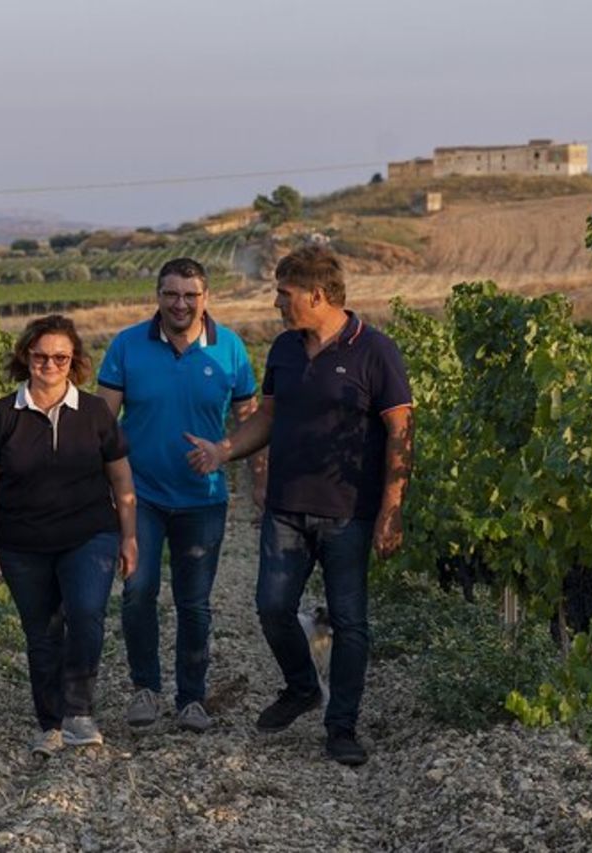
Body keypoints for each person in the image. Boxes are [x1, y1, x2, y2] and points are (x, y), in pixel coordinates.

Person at [186, 245, 412, 766]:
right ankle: (302, 687)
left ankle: (342, 727)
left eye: (283, 294)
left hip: (349, 509)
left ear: (317, 294)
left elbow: (401, 430)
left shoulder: (375, 351)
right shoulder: (285, 350)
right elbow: (268, 416)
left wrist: (391, 507)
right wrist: (225, 449)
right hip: (287, 506)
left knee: (351, 621)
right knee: (271, 607)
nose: (276, 303)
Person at [97, 257, 258, 733]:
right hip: (138, 495)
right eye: (172, 294)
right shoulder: (126, 346)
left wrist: (226, 454)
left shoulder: (229, 348)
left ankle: (192, 698)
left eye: (191, 295)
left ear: (206, 298)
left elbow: (251, 421)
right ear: (158, 296)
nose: (181, 303)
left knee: (195, 602)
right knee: (137, 591)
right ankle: (145, 689)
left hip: (203, 498)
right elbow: (104, 427)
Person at [0, 314, 137, 759]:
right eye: (41, 356)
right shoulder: (3, 414)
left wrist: (129, 536)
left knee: (86, 614)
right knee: (42, 632)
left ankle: (79, 711)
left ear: (74, 361)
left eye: (60, 357)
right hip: (21, 541)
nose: (50, 364)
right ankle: (50, 721)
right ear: (26, 356)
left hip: (89, 534)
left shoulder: (96, 413)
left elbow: (120, 478)